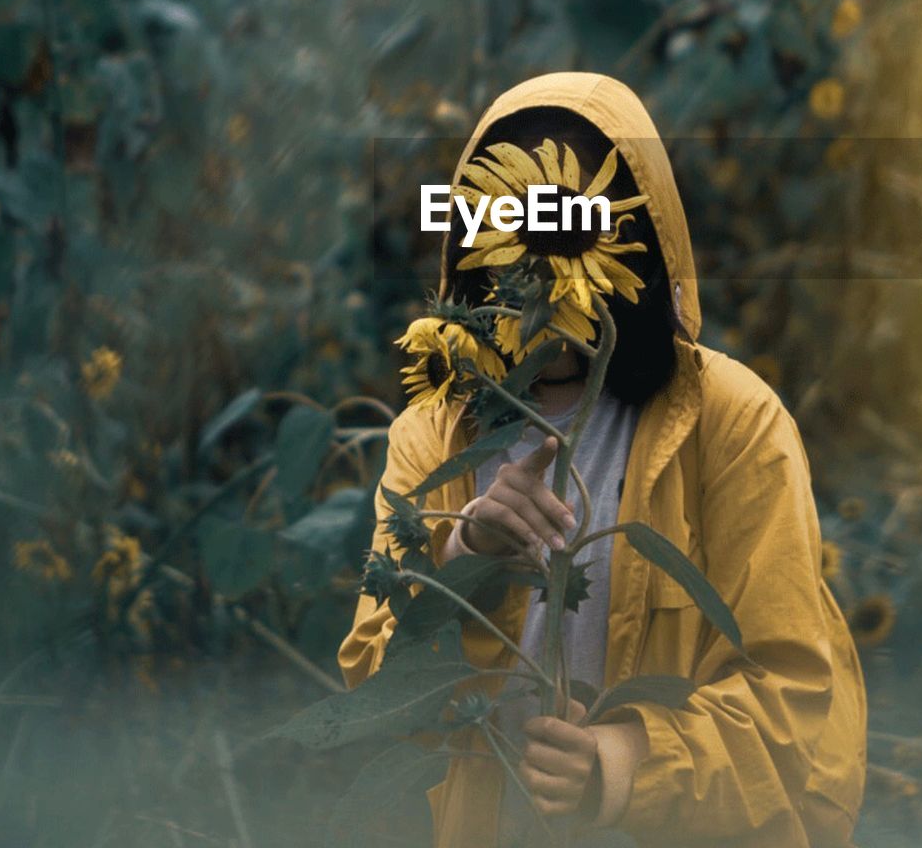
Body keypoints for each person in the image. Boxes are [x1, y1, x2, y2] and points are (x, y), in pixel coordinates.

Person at [339, 72, 867, 847]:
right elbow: (375, 694)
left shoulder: (732, 424)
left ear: (635, 251)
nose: (538, 288)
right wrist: (461, 556)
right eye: (509, 253)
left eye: (565, 251)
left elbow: (795, 705)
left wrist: (621, 764)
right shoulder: (435, 437)